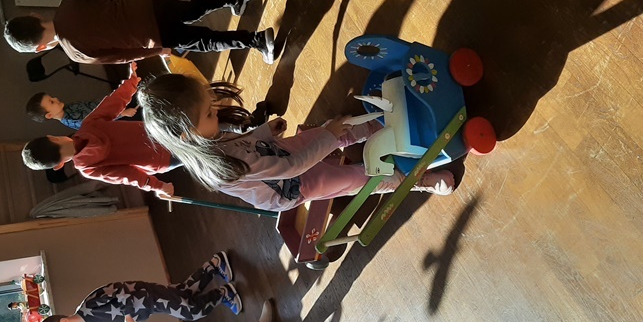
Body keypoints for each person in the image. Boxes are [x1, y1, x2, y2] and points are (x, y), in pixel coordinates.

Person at [137, 73, 455, 212]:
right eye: (209, 113)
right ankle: (416, 181)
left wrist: (264, 132)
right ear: (187, 135)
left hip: (278, 157)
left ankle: (381, 125)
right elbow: (292, 168)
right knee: (354, 178)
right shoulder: (222, 168)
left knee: (328, 134)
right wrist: (329, 136)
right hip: (293, 185)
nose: (216, 113)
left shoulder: (207, 137)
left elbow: (245, 143)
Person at [3, 0, 277, 65]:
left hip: (150, 34)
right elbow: (102, 2)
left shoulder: (77, 53)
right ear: (35, 16)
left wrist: (158, 51)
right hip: (143, 5)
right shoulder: (68, 3)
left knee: (205, 41)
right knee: (191, 8)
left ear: (40, 48)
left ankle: (257, 40)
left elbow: (123, 56)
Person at [21, 63, 177, 199]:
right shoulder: (89, 125)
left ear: (59, 165)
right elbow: (114, 102)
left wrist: (159, 186)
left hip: (161, 159)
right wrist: (131, 82)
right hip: (160, 131)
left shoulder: (89, 170)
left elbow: (129, 176)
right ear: (53, 138)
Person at [36, 251, 249, 322]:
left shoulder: (89, 305)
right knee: (185, 293)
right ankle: (214, 264)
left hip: (147, 295)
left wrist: (127, 314)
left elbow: (117, 290)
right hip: (148, 308)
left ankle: (223, 293)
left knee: (191, 311)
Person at [25, 92, 137, 130]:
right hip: (117, 115)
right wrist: (123, 113)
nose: (55, 99)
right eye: (52, 102)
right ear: (49, 115)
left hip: (111, 105)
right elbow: (99, 120)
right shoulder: (73, 120)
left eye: (52, 97)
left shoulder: (67, 107)